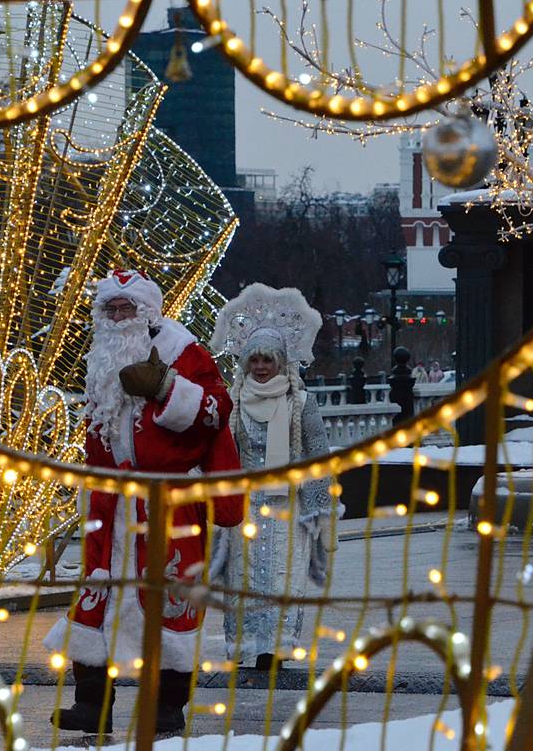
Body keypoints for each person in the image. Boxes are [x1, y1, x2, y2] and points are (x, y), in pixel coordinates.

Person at [44, 269, 243, 735]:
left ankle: (167, 707)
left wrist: (166, 388)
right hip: (109, 503)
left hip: (168, 500)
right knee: (97, 601)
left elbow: (218, 410)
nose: (116, 317)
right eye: (109, 309)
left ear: (148, 310)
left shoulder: (182, 350)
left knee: (172, 602)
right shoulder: (99, 354)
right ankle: (93, 705)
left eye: (125, 308)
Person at [209, 284, 337, 671]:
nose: (261, 367)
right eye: (255, 360)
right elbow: (221, 453)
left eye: (268, 360)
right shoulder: (232, 403)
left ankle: (275, 651)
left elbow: (318, 456)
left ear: (281, 362)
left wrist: (320, 511)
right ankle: (246, 648)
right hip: (245, 507)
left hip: (288, 508)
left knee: (282, 578)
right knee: (244, 580)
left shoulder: (300, 402)